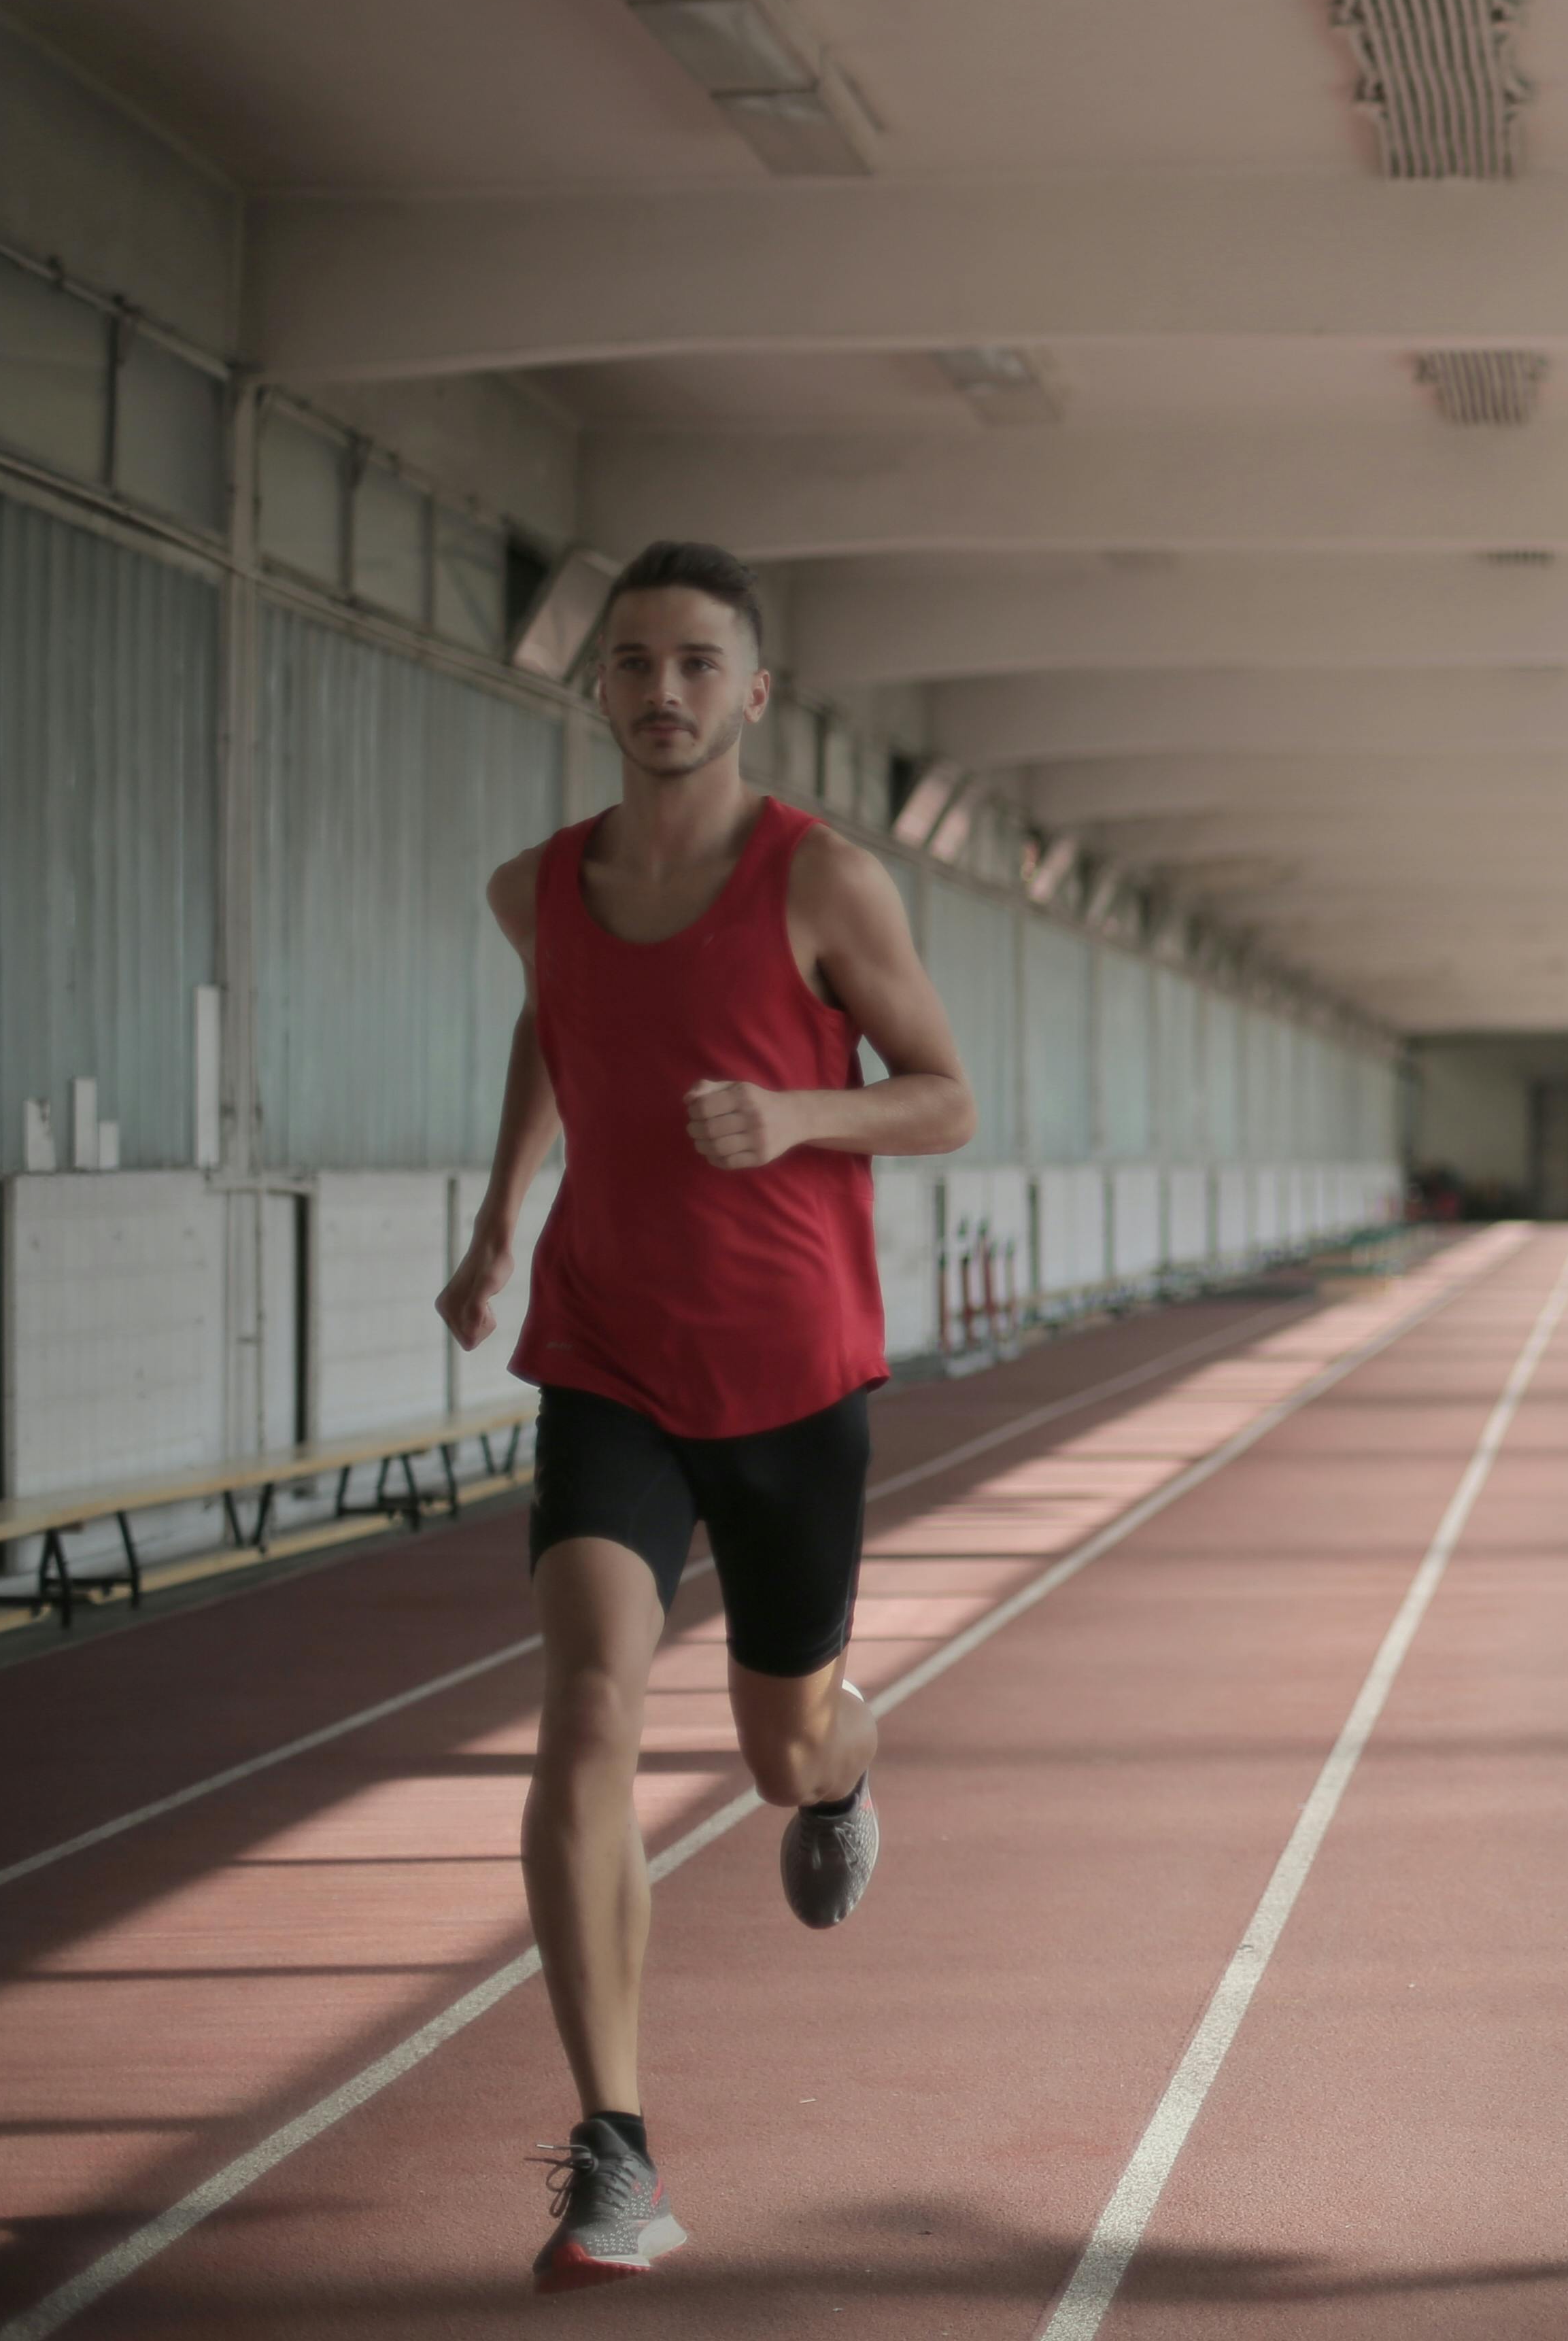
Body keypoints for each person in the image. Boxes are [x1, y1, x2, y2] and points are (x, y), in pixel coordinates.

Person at [437, 541, 976, 2293]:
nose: (661, 690)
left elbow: (947, 1099)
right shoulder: (536, 890)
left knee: (773, 1747)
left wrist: (800, 1120)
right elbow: (552, 1025)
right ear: (595, 687)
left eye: (696, 664)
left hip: (792, 1374)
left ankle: (846, 1759)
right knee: (586, 1706)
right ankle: (619, 2152)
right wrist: (499, 1216)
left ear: (753, 695)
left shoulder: (824, 883)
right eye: (631, 662)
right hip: (604, 1357)